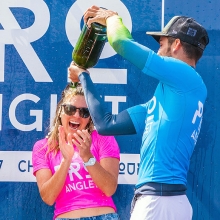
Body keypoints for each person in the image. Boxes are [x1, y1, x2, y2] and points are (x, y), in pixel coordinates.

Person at [68, 5, 209, 220]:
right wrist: (84, 77)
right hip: (165, 201)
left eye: (161, 44)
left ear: (177, 45)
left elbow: (121, 43)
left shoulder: (186, 75)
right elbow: (106, 124)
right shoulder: (167, 101)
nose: (158, 51)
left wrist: (113, 18)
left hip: (159, 202)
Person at [32, 82, 120, 220]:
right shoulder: (43, 147)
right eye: (70, 109)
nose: (77, 115)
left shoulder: (103, 138)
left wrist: (87, 157)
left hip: (103, 215)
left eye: (84, 112)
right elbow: (48, 197)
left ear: (89, 118)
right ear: (60, 111)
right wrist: (65, 161)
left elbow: (109, 188)